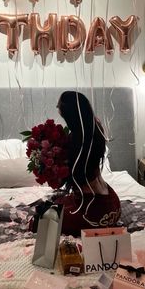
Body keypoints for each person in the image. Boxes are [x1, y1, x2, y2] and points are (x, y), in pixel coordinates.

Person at [53, 91, 121, 237]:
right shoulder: (96, 128)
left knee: (41, 220)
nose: (57, 108)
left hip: (92, 211)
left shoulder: (77, 140)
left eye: (59, 106)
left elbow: (75, 176)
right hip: (112, 203)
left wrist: (55, 170)